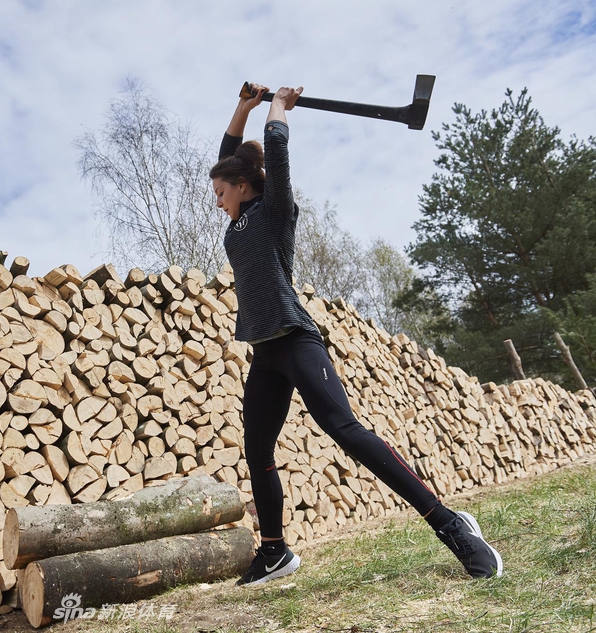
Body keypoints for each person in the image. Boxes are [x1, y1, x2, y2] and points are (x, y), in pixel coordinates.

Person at [209, 83, 503, 586]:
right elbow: (226, 156)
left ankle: (452, 525)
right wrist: (243, 106)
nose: (215, 201)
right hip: (264, 351)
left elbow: (275, 158)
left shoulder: (275, 213)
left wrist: (278, 112)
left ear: (242, 186)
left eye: (220, 192)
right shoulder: (236, 221)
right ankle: (276, 551)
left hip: (297, 340)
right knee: (257, 450)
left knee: (346, 431)